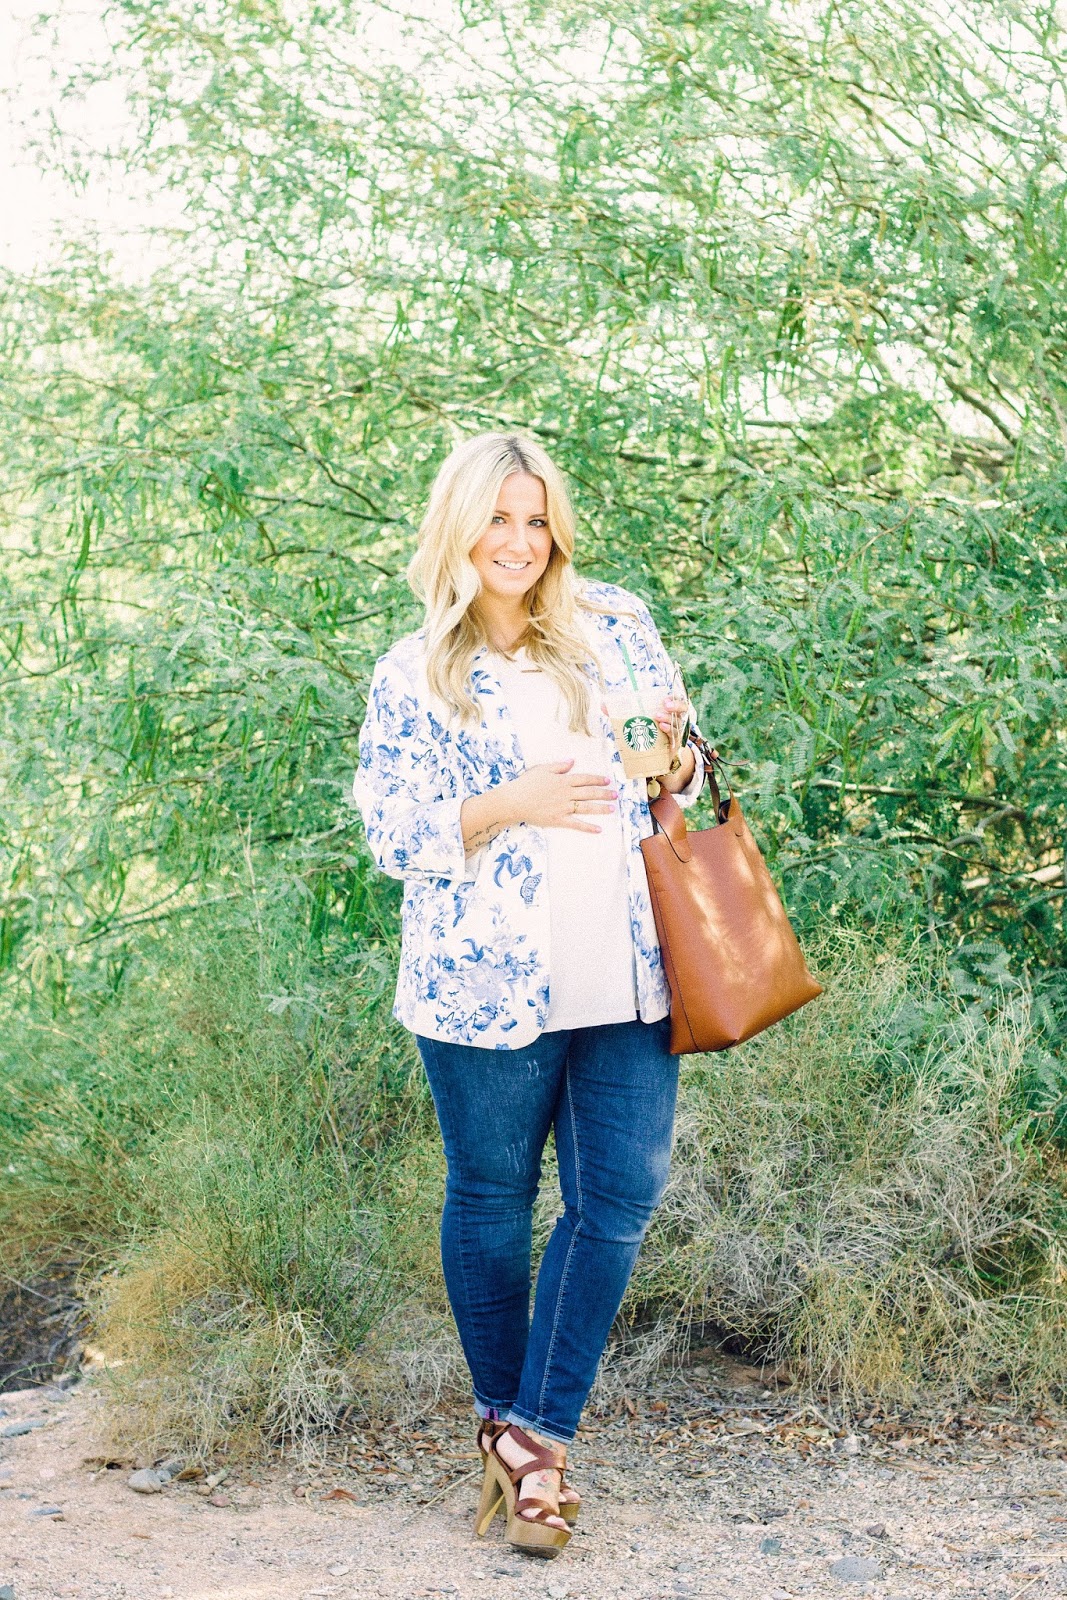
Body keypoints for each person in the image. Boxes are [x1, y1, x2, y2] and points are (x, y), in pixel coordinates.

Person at [352, 432, 704, 1557]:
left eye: (536, 518)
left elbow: (682, 759)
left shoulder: (615, 622)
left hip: (629, 965)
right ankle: (518, 1441)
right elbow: (390, 834)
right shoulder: (415, 669)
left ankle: (530, 1433)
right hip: (482, 981)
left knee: (620, 1196)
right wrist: (512, 802)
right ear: (457, 529)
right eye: (497, 520)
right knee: (492, 1197)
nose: (519, 541)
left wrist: (678, 761)